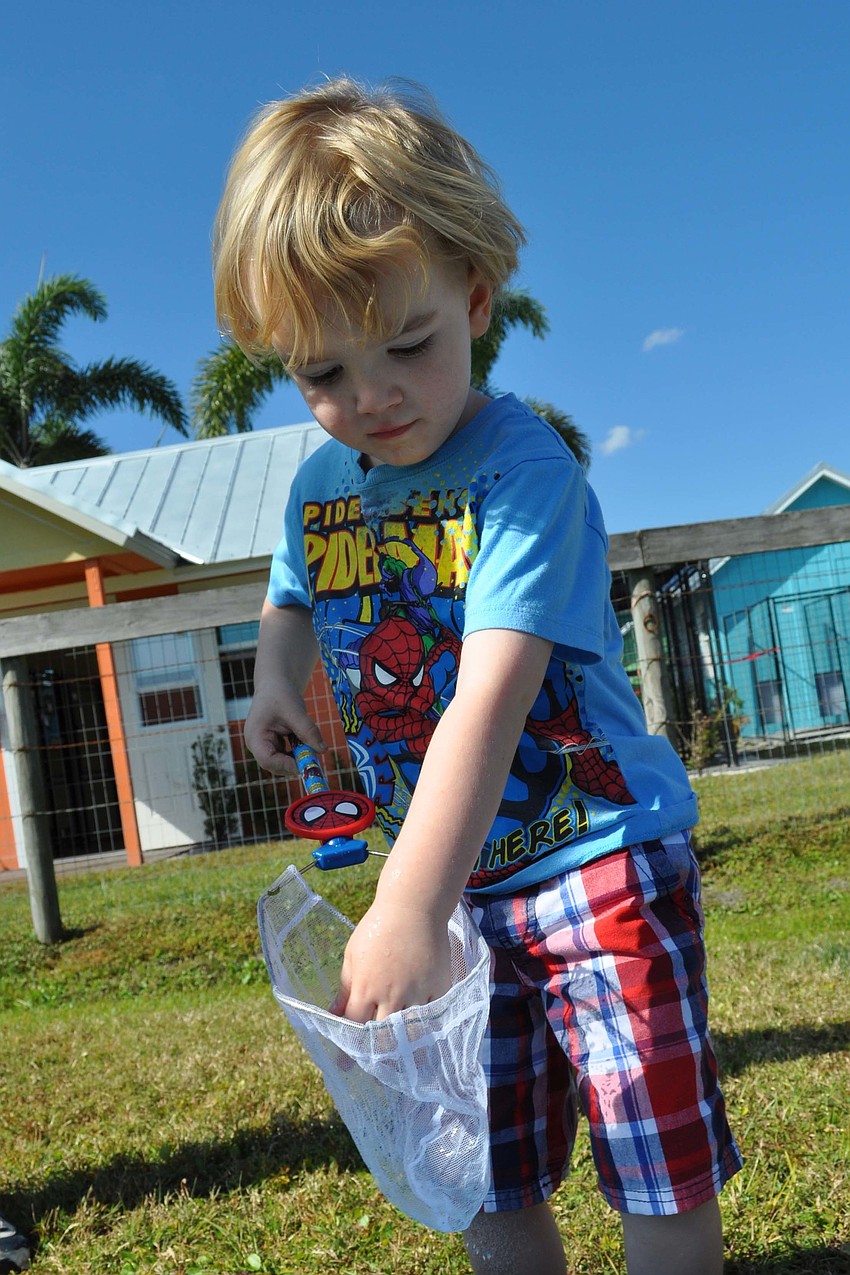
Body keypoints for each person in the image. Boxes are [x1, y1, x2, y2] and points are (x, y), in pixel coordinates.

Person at [214, 77, 742, 1275]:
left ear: (475, 295)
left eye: (406, 345)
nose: (369, 399)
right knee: (481, 1162)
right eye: (321, 373)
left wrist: (403, 905)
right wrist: (275, 667)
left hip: (589, 856)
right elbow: (292, 579)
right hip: (454, 883)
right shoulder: (322, 482)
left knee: (648, 1149)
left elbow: (489, 703)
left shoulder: (525, 474)